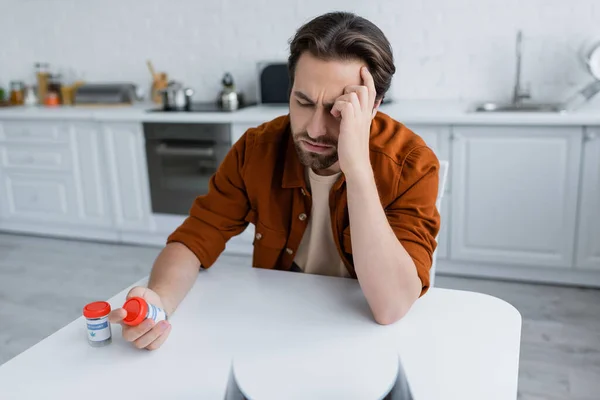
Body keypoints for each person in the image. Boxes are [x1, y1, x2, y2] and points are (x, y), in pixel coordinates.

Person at [109, 11, 441, 350]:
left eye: (337, 109)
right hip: (276, 325)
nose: (313, 129)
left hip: (365, 332)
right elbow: (194, 240)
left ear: (374, 105)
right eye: (303, 101)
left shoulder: (411, 165)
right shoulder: (257, 149)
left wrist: (356, 167)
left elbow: (390, 308)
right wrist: (159, 302)